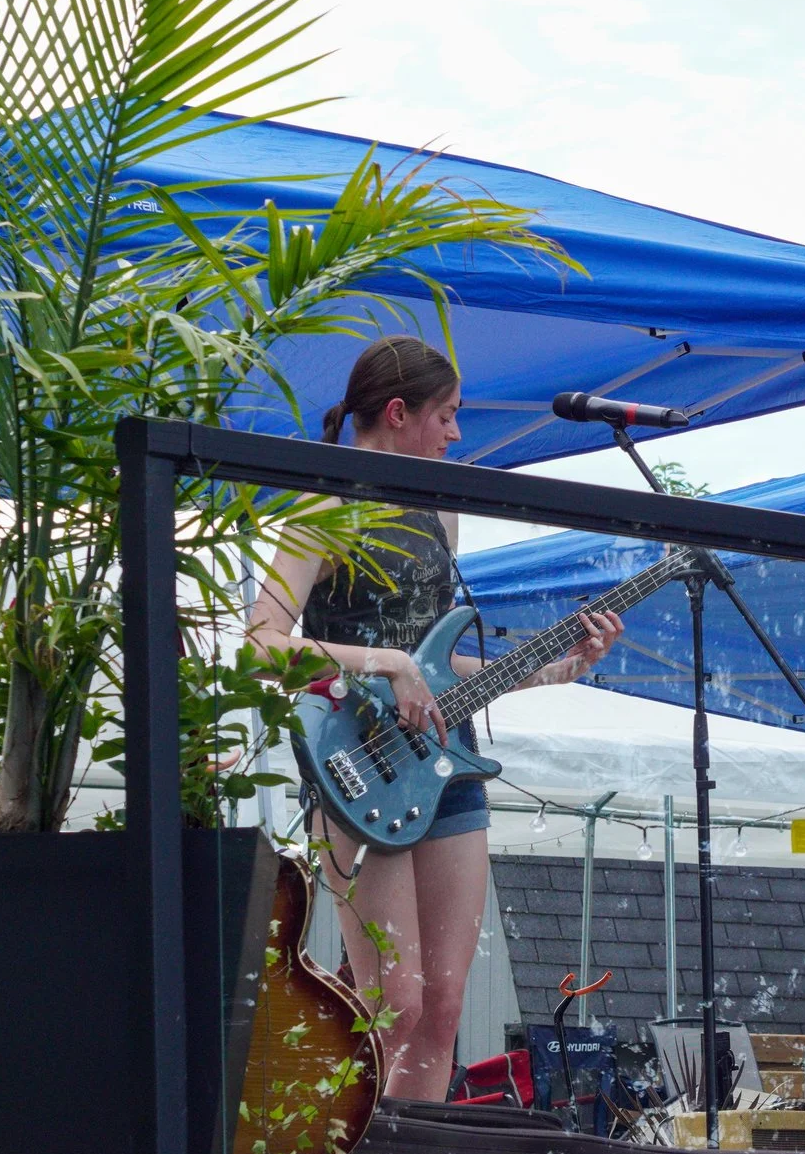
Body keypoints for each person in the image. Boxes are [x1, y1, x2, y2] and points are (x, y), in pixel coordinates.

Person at [249, 336, 622, 1101]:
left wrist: (553, 668)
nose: (456, 434)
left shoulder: (438, 511)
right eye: (446, 415)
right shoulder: (322, 506)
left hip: (447, 760)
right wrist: (383, 663)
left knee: (445, 1004)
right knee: (397, 999)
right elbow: (262, 643)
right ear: (398, 413)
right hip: (355, 766)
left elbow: (437, 660)